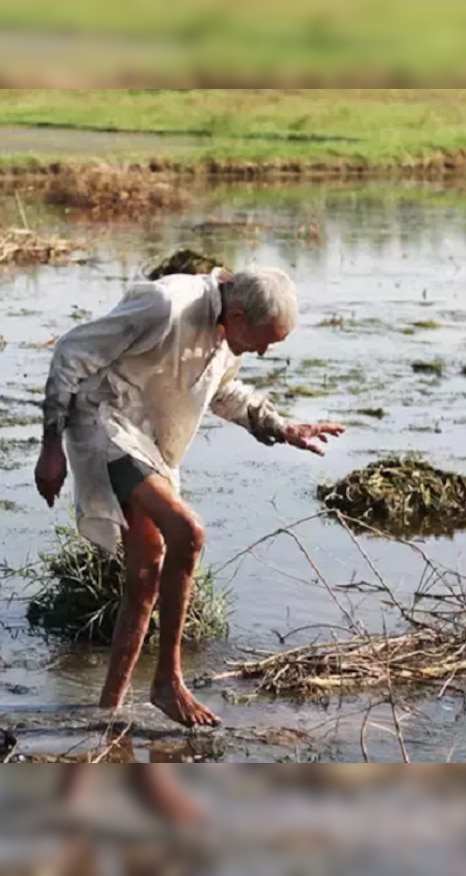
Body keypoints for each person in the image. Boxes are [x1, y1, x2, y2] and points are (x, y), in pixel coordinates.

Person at [35, 265, 343, 727]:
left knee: (145, 575)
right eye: (263, 339)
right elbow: (70, 352)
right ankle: (168, 680)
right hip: (103, 424)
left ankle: (107, 712)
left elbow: (221, 392)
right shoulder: (167, 305)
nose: (260, 350)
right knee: (188, 531)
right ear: (237, 313)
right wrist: (49, 445)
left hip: (151, 443)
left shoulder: (226, 332)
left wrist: (282, 427)